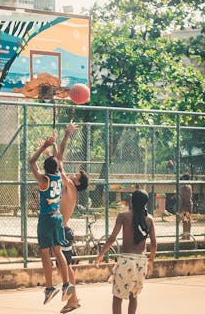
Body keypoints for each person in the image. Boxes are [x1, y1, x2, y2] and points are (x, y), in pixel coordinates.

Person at [28, 135, 74, 305]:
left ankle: (49, 288)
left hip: (47, 219)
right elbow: (59, 160)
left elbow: (32, 162)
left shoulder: (43, 180)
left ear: (45, 169)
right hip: (58, 218)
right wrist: (54, 145)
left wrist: (43, 148)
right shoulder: (60, 178)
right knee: (58, 250)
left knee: (45, 253)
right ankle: (67, 284)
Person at [95, 189, 157, 314]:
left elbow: (112, 238)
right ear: (145, 203)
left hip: (126, 261)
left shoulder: (123, 216)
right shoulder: (149, 219)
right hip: (141, 262)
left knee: (118, 296)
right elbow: (154, 243)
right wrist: (151, 261)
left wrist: (100, 254)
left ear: (131, 201)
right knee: (133, 295)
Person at [57, 122, 89, 313]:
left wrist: (66, 135)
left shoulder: (70, 187)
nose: (72, 173)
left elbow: (59, 162)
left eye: (75, 174)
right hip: (62, 230)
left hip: (62, 231)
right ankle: (74, 298)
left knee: (65, 268)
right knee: (66, 267)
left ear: (77, 181)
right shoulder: (68, 187)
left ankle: (73, 300)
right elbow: (59, 160)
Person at [179, 173, 193, 240]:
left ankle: (184, 236)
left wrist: (180, 208)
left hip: (184, 205)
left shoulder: (183, 187)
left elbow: (182, 198)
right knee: (188, 220)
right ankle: (188, 235)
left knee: (185, 221)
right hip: (189, 204)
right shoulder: (189, 186)